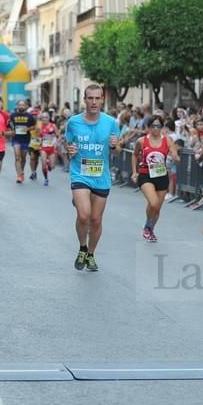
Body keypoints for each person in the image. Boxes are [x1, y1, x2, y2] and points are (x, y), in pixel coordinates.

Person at [65, 85, 121, 272]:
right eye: (90, 98)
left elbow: (118, 150)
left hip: (101, 176)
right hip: (80, 173)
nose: (94, 102)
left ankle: (91, 253)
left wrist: (115, 146)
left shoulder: (111, 122)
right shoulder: (73, 122)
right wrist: (69, 150)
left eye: (98, 98)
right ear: (85, 99)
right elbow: (67, 146)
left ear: (103, 99)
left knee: (96, 220)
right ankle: (82, 248)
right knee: (84, 215)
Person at [131, 115, 179, 241]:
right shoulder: (142, 141)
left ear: (162, 127)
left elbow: (175, 155)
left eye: (159, 126)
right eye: (153, 126)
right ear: (149, 127)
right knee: (153, 202)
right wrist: (134, 172)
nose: (156, 129)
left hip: (161, 175)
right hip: (145, 174)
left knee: (157, 208)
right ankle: (148, 225)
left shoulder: (167, 140)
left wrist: (175, 157)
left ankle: (150, 229)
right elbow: (135, 155)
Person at [10, 99, 36, 183]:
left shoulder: (29, 116)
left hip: (25, 139)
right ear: (17, 106)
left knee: (23, 158)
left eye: (23, 105)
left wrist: (27, 128)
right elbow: (9, 125)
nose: (21, 106)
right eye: (19, 105)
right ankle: (19, 175)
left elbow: (33, 126)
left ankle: (21, 172)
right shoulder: (13, 115)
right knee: (17, 157)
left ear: (25, 106)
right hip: (16, 138)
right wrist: (11, 130)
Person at [38, 111, 58, 186]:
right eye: (43, 117)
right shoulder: (40, 126)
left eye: (46, 117)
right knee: (43, 163)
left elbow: (58, 135)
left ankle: (49, 164)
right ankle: (46, 178)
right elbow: (39, 136)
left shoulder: (53, 126)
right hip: (43, 148)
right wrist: (40, 140)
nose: (44, 119)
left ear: (49, 118)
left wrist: (56, 143)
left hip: (52, 148)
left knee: (52, 166)